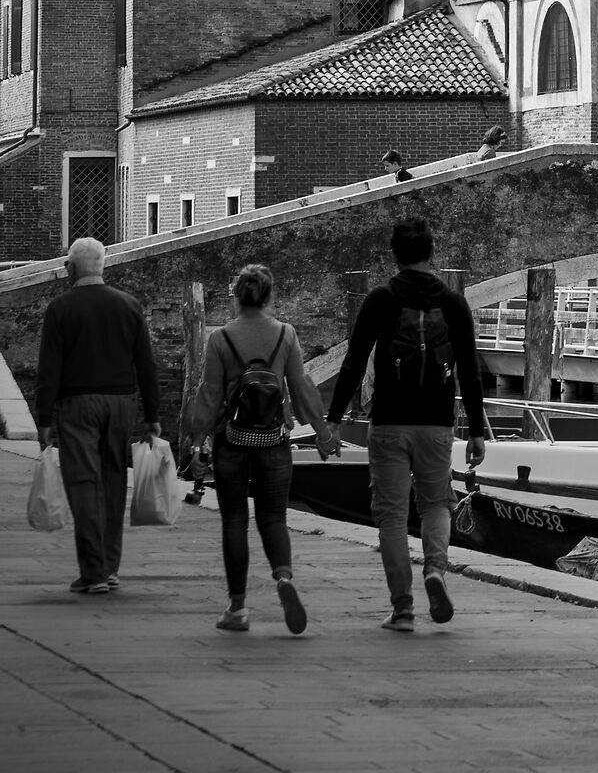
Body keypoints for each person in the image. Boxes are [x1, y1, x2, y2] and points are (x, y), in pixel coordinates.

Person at [328, 216, 488, 632]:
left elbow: (353, 362)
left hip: (389, 423)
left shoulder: (380, 299)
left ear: (394, 255)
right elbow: (470, 370)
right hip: (436, 424)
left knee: (392, 517)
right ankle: (435, 569)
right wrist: (476, 430)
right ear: (431, 253)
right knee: (436, 504)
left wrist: (331, 420)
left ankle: (402, 609)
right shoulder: (452, 303)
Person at [190, 262, 342, 635]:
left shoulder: (220, 338)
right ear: (270, 296)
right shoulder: (285, 334)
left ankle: (238, 609)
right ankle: (284, 576)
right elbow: (302, 387)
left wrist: (196, 442)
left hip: (232, 441)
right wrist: (322, 434)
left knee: (235, 522)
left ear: (236, 298)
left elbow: (209, 395)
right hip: (274, 441)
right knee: (273, 519)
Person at [33, 235, 162, 596]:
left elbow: (49, 370)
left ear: (72, 267)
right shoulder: (129, 305)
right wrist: (152, 414)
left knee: (84, 483)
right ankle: (109, 565)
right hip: (121, 403)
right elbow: (146, 364)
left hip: (78, 405)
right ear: (102, 266)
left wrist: (44, 420)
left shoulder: (61, 308)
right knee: (113, 480)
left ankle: (93, 572)